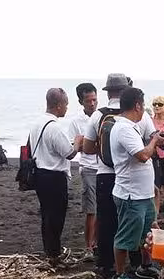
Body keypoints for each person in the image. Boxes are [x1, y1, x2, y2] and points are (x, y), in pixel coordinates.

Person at [107, 88, 164, 279]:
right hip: (130, 194)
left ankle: (145, 265)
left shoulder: (130, 127)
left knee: (147, 231)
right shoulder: (123, 128)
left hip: (143, 192)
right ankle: (119, 275)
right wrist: (153, 141)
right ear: (138, 106)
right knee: (126, 235)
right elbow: (142, 155)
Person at [30, 88, 81, 266]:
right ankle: (54, 254)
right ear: (59, 106)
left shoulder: (37, 123)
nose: (67, 108)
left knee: (47, 214)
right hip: (53, 175)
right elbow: (69, 154)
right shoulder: (54, 127)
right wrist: (78, 143)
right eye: (66, 104)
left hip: (40, 173)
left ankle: (50, 251)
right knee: (56, 216)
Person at [68, 83, 99, 260]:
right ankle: (88, 246)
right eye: (88, 101)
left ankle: (97, 243)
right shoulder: (76, 122)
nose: (92, 103)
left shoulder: (102, 116)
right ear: (81, 101)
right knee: (90, 210)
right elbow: (75, 147)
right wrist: (85, 146)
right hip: (88, 168)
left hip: (103, 167)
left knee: (103, 208)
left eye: (94, 99)